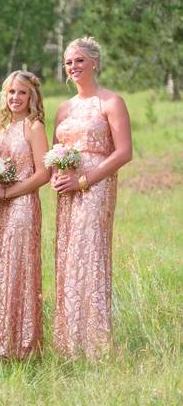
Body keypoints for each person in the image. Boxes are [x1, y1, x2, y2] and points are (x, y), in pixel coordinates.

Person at [52, 37, 132, 358]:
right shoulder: (63, 108)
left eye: (80, 60)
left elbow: (124, 152)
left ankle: (96, 341)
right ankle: (70, 341)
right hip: (66, 190)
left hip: (95, 186)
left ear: (95, 62)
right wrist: (58, 173)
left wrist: (83, 180)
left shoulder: (110, 102)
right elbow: (54, 150)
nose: (74, 66)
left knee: (91, 252)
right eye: (69, 62)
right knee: (69, 254)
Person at [0, 71, 49, 359]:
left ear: (32, 96)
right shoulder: (3, 130)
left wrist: (10, 193)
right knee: (2, 268)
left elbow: (44, 173)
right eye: (11, 92)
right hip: (3, 209)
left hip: (22, 207)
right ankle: (0, 341)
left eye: (22, 92)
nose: (16, 98)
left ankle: (23, 344)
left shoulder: (34, 127)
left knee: (20, 267)